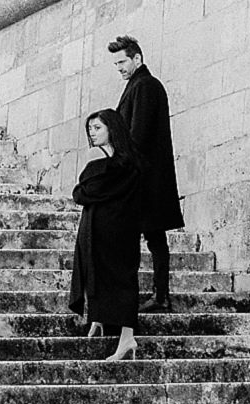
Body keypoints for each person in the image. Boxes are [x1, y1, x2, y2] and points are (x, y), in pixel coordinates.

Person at [109, 34, 183, 311]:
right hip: (145, 177)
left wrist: (120, 165)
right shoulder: (139, 85)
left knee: (151, 237)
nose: (118, 68)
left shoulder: (146, 86)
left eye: (122, 61)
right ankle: (158, 294)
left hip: (145, 179)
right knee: (153, 237)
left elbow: (137, 135)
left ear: (137, 58)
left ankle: (159, 295)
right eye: (115, 63)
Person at [68, 108, 143, 362]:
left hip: (110, 228)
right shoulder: (123, 160)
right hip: (112, 228)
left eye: (98, 128)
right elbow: (83, 193)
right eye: (90, 129)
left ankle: (125, 337)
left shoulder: (108, 158)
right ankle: (105, 323)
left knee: (111, 275)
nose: (93, 133)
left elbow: (84, 192)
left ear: (112, 129)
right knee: (110, 275)